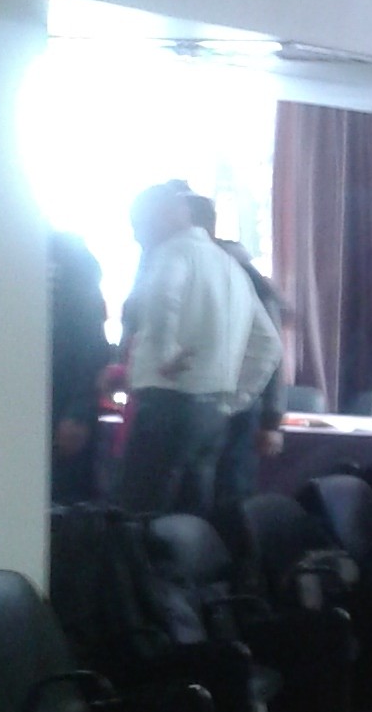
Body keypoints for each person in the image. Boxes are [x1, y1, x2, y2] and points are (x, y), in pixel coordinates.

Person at [115, 180, 276, 517]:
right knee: (192, 522)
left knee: (139, 519)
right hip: (212, 414)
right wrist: (235, 398)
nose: (136, 236)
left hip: (165, 406)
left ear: (166, 216)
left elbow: (164, 297)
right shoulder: (230, 266)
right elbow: (269, 345)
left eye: (139, 224)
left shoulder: (171, 253)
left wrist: (164, 354)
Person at [49, 231, 114, 505]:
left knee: (63, 501)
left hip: (63, 405)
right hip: (38, 403)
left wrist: (78, 413)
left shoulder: (66, 256)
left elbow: (91, 347)